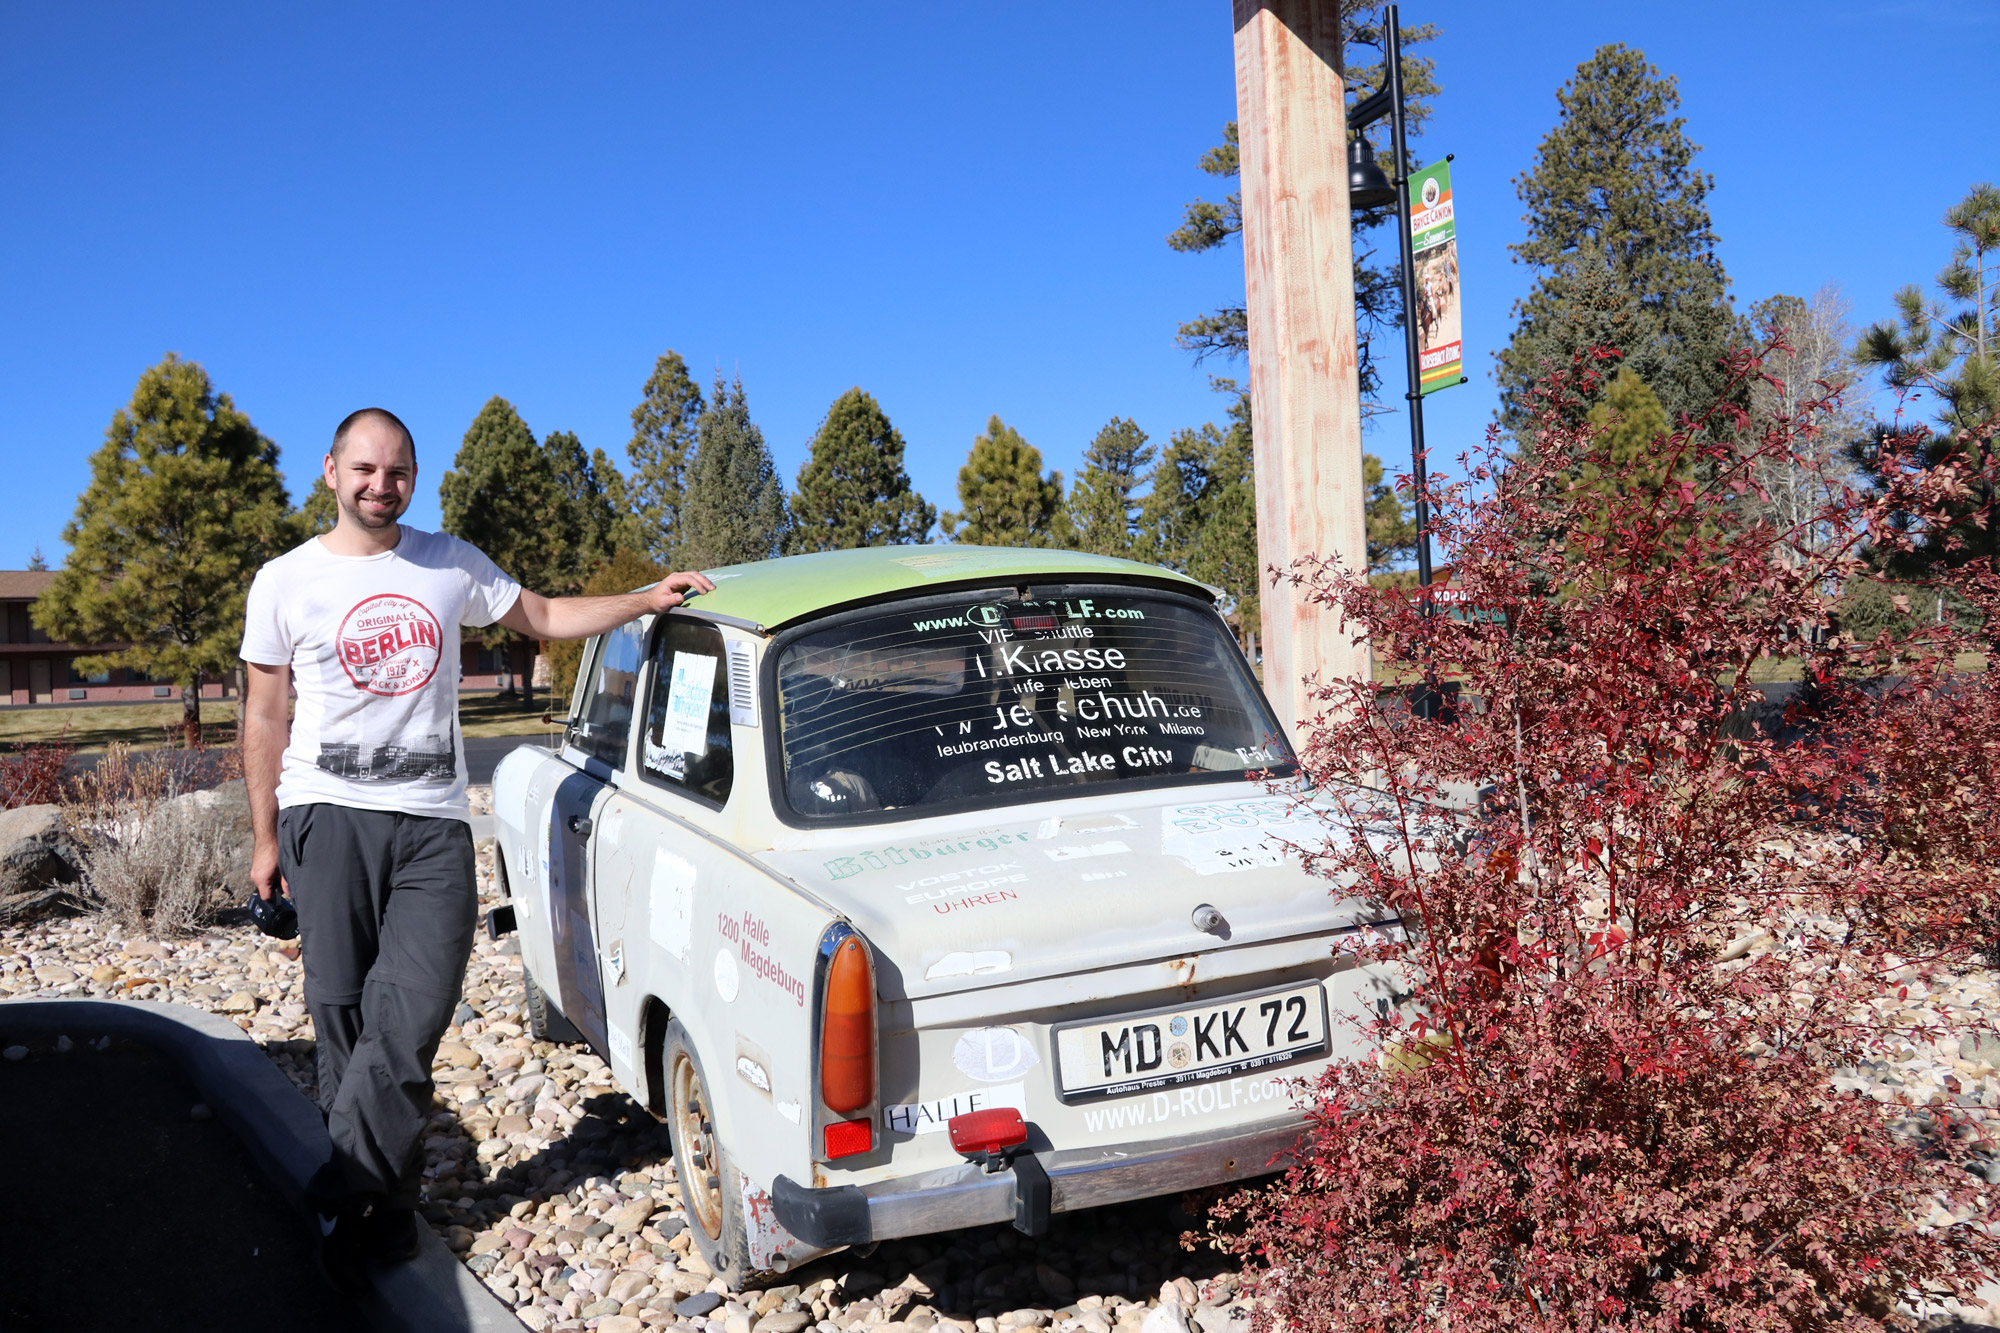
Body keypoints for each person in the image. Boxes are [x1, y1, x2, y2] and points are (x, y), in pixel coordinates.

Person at [240, 407, 711, 1291]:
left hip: (431, 822)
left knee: (412, 1015)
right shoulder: (284, 580)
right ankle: (382, 1212)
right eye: (365, 469)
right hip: (326, 812)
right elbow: (266, 712)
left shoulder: (447, 561)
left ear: (415, 476)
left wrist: (643, 599)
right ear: (332, 471)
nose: (381, 485)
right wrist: (265, 835)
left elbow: (539, 612)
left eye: (398, 471)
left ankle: (344, 1179)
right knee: (344, 1015)